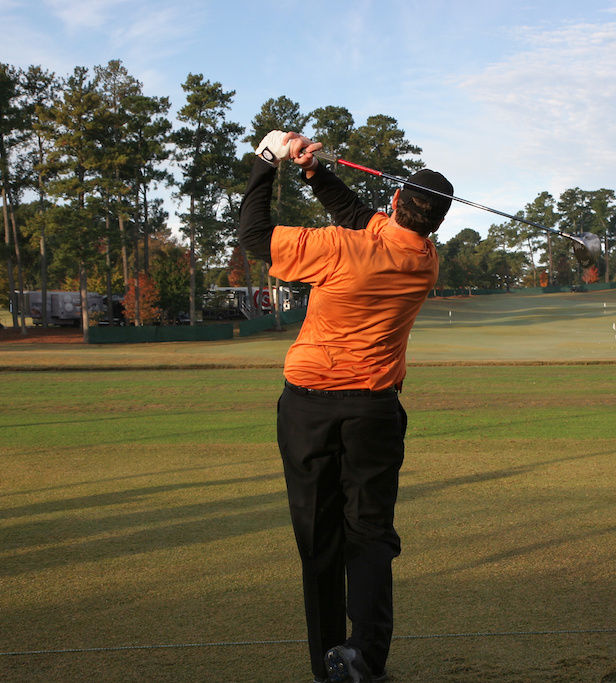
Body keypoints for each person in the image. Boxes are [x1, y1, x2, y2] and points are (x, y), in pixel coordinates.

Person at [238, 130, 452, 683]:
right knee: (371, 535)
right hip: (376, 413)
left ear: (398, 203)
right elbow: (359, 213)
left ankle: (327, 662)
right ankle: (366, 659)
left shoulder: (340, 248)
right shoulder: (425, 257)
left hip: (309, 410)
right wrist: (313, 171)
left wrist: (268, 161)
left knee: (319, 538)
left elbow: (254, 235)